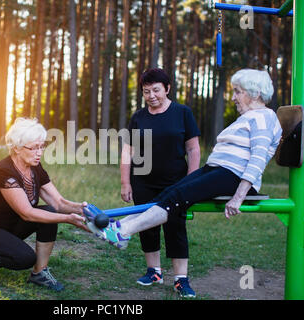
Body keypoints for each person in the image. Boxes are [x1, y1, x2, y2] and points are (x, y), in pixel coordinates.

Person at [88, 68, 282, 298]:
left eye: (237, 92)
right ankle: (120, 228)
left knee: (174, 200)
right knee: (170, 195)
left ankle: (123, 231)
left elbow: (258, 158)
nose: (233, 97)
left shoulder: (264, 117)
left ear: (255, 93)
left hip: (231, 175)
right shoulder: (250, 117)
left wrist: (239, 195)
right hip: (215, 171)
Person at [0, 118, 88, 292]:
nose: (39, 152)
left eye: (41, 146)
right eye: (34, 148)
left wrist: (83, 209)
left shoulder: (34, 167)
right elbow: (27, 213)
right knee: (24, 259)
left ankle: (40, 272)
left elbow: (58, 202)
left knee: (50, 213)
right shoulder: (4, 171)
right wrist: (68, 219)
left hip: (10, 226)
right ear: (16, 148)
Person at [119, 68, 201, 297]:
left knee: (175, 227)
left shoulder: (182, 112)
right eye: (146, 91)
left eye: (156, 90)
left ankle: (181, 279)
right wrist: (125, 182)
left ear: (167, 89)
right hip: (143, 181)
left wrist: (191, 182)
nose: (152, 95)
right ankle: (153, 271)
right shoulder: (138, 117)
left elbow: (193, 149)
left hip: (176, 184)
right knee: (146, 225)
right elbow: (128, 151)